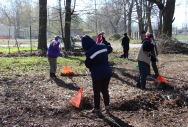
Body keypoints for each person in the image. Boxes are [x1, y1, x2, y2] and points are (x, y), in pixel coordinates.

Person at [81, 35, 113, 116]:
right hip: (107, 71)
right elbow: (110, 49)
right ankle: (107, 107)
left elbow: (88, 64)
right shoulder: (102, 46)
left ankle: (97, 108)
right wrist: (105, 42)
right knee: (105, 90)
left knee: (96, 91)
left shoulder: (89, 52)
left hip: (97, 74)